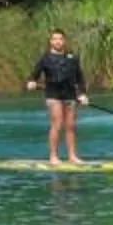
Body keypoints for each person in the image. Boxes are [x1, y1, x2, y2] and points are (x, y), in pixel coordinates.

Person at [24, 28, 89, 163]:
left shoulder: (72, 58)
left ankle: (72, 156)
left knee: (70, 126)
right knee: (57, 123)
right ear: (50, 41)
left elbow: (80, 78)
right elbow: (33, 75)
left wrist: (82, 94)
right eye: (55, 39)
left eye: (60, 39)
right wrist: (31, 82)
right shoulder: (45, 58)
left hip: (70, 95)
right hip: (53, 95)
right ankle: (53, 156)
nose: (58, 41)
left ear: (64, 41)